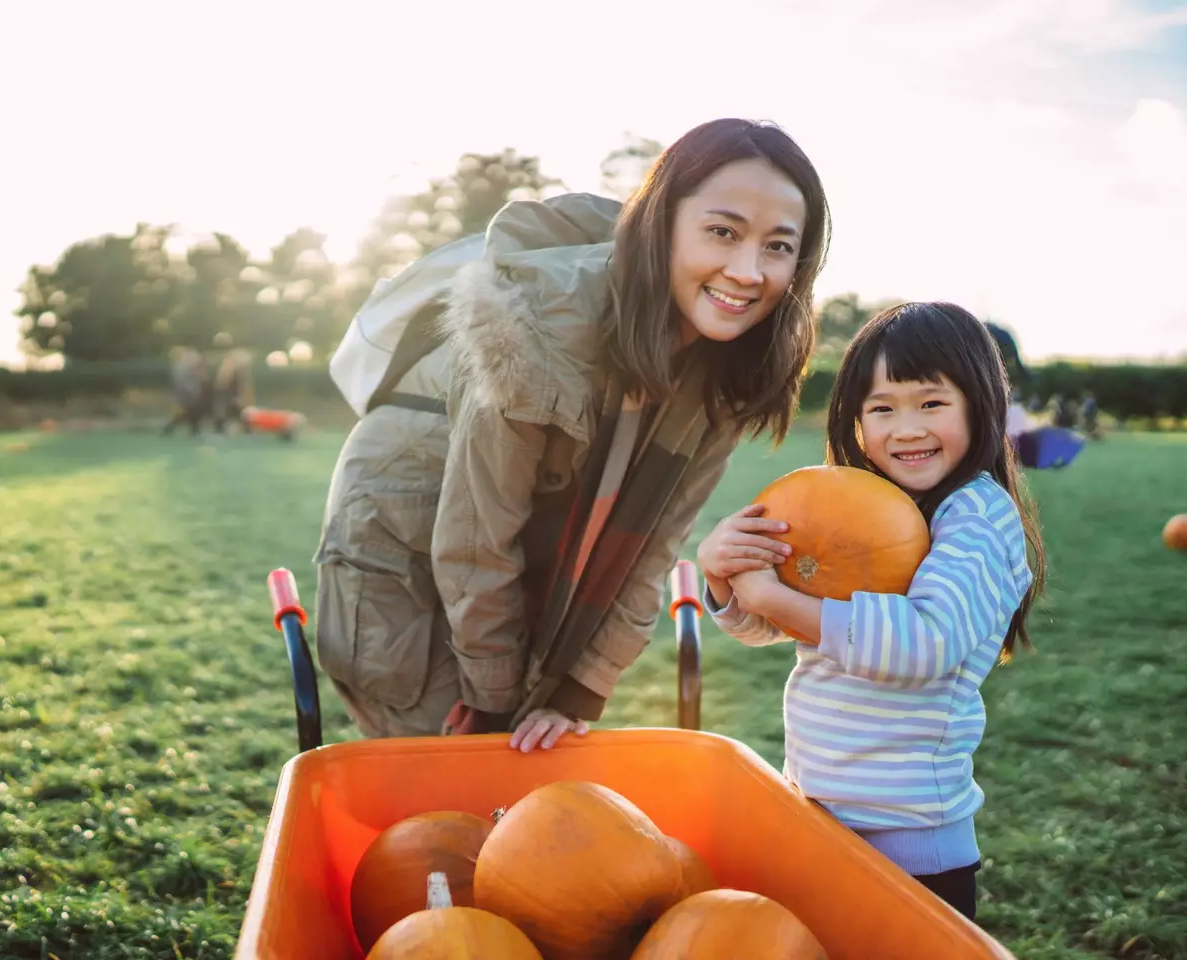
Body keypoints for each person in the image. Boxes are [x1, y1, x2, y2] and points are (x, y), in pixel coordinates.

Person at [312, 118, 832, 751]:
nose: (748, 272)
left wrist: (580, 686)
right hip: (405, 520)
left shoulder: (730, 369)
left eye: (778, 246)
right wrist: (493, 698)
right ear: (661, 223)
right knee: (444, 762)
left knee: (526, 749)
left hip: (511, 539)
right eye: (722, 232)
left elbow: (654, 545)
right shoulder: (538, 324)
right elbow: (478, 536)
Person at [695, 302, 1046, 922]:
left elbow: (925, 644)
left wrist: (775, 596)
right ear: (854, 420)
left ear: (981, 404)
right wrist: (725, 576)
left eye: (931, 404)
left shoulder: (976, 518)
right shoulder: (853, 502)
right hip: (817, 813)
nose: (905, 428)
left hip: (909, 846)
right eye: (882, 408)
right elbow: (775, 625)